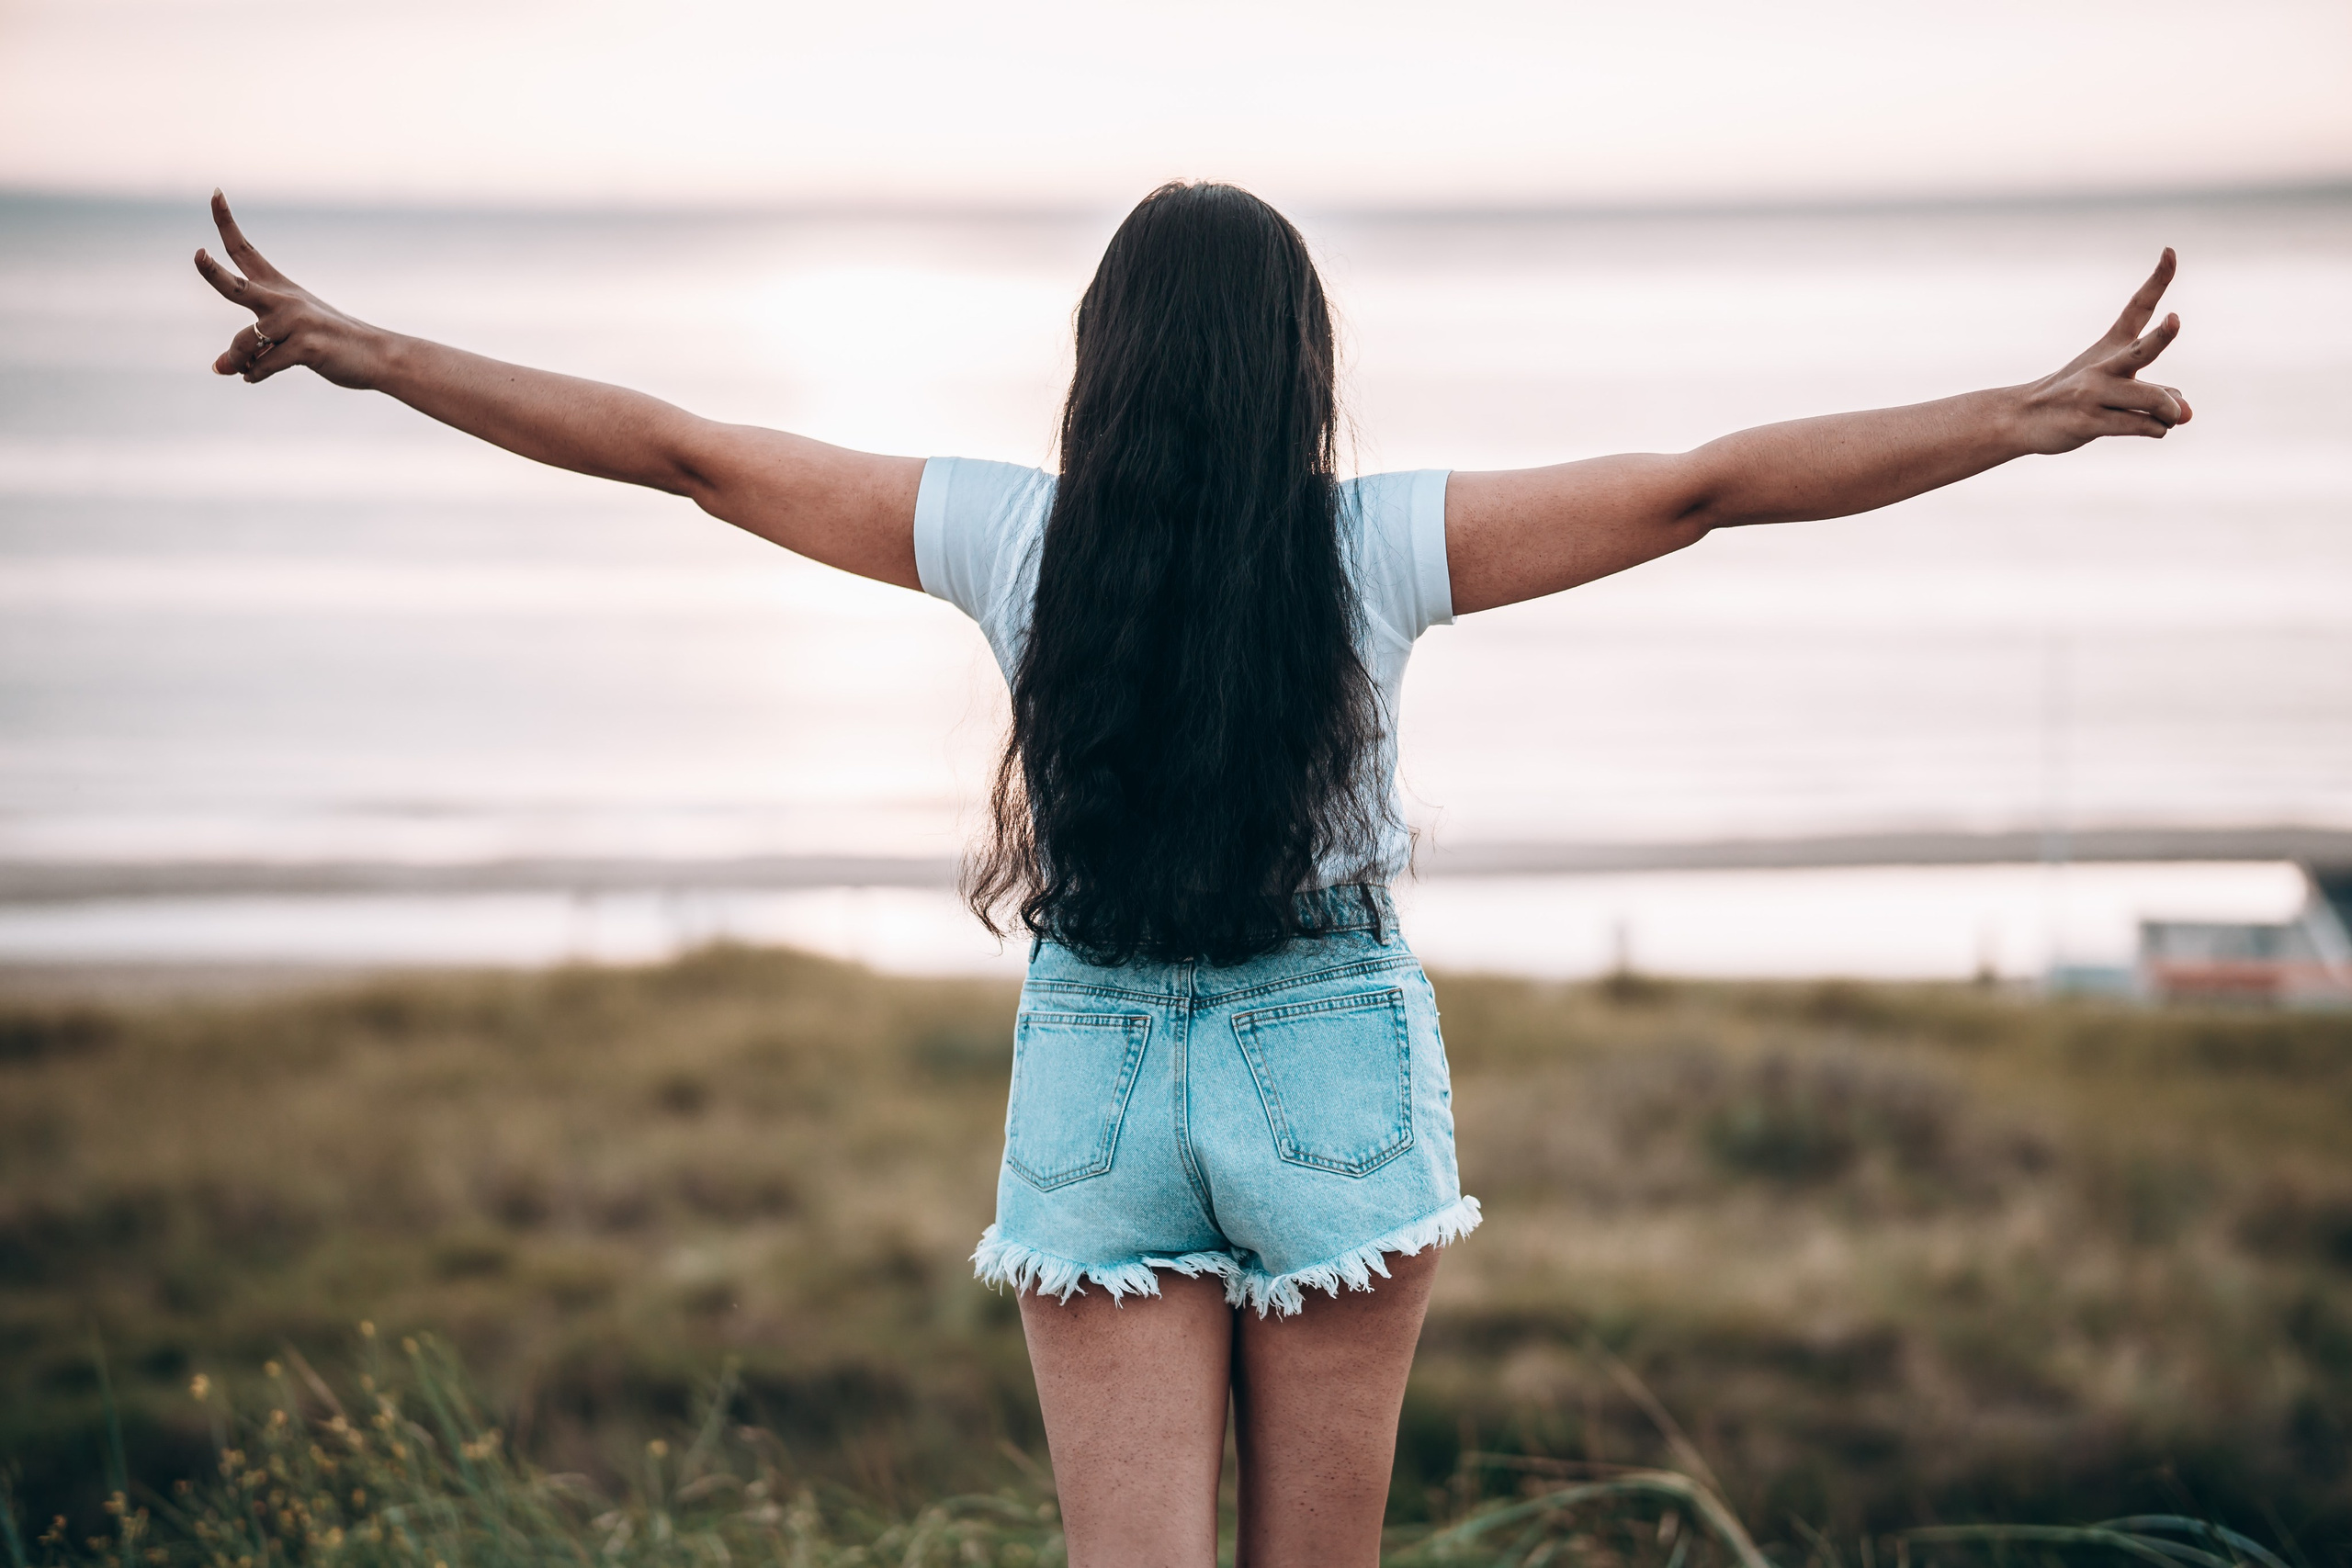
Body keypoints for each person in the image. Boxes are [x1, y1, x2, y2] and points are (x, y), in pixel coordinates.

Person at [196, 180, 2189, 1567]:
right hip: (1328, 1051)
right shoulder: (1376, 542)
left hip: (1091, 1069)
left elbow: (681, 450)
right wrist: (2012, 418)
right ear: (1293, 363)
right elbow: (1704, 484)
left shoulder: (1004, 534)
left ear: (1105, 363)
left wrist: (380, 350)